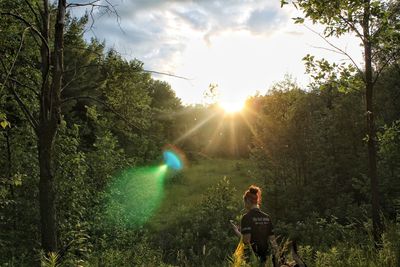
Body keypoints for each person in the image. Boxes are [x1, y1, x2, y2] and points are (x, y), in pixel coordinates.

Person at [231, 185, 278, 266]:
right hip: (266, 260)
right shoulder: (267, 217)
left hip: (252, 260)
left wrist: (237, 232)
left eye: (244, 202)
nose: (244, 205)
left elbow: (246, 241)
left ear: (248, 200)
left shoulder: (246, 217)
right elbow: (273, 242)